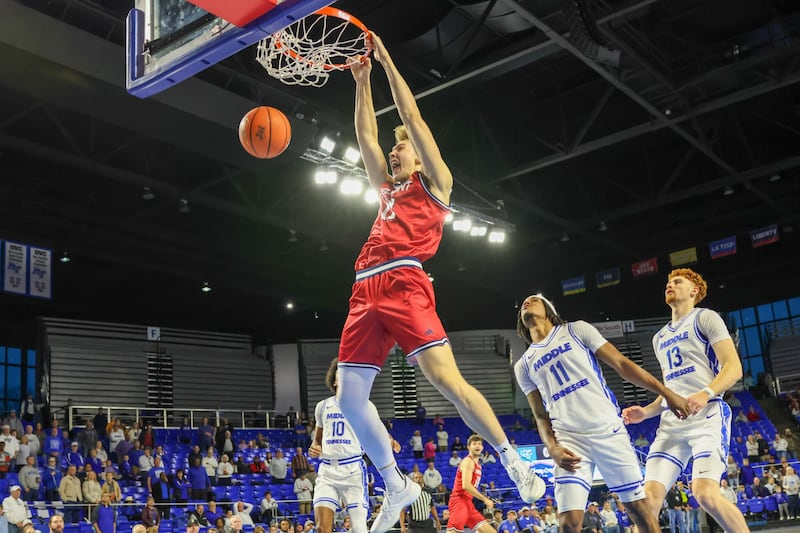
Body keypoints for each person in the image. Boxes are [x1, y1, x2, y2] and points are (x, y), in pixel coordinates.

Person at [337, 34, 544, 533]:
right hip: (366, 289)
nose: (393, 152)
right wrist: (362, 83)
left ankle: (509, 458)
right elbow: (365, 139)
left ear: (420, 158)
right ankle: (395, 483)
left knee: (447, 382)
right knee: (347, 400)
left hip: (406, 282)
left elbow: (414, 120)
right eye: (395, 151)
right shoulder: (387, 189)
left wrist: (385, 61)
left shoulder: (436, 185)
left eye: (401, 149)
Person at [514, 293, 688, 533]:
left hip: (608, 430)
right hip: (570, 440)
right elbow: (540, 415)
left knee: (640, 510)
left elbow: (622, 364)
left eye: (534, 299)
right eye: (523, 302)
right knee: (569, 523)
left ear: (549, 310)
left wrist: (667, 393)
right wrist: (552, 447)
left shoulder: (576, 330)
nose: (527, 302)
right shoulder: (523, 365)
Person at [622, 269, 747, 533]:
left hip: (708, 415)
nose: (670, 285)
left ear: (694, 291)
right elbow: (671, 389)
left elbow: (734, 368)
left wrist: (706, 392)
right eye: (668, 282)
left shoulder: (705, 317)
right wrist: (646, 412)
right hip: (672, 423)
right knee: (648, 501)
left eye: (678, 282)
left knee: (705, 494)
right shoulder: (659, 338)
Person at [310, 358, 392, 533]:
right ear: (334, 380)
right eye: (342, 374)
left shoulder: (364, 405)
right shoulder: (322, 407)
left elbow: (377, 429)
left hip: (353, 470)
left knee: (359, 529)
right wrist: (315, 446)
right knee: (322, 528)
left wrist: (389, 439)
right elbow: (317, 440)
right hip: (327, 471)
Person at [446, 435, 495, 533]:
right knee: (454, 531)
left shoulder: (478, 465)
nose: (477, 446)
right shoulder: (468, 461)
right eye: (474, 444)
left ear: (482, 447)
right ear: (468, 447)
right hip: (459, 500)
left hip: (468, 502)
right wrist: (485, 499)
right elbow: (466, 485)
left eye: (479, 444)